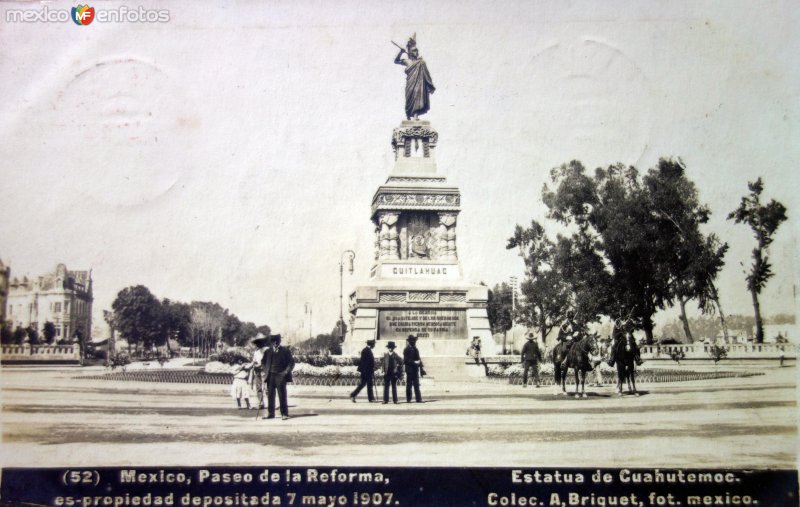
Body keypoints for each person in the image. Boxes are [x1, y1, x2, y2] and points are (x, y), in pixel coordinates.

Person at [394, 34, 435, 120]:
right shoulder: (407, 61)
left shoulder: (421, 62)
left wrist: (430, 86)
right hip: (410, 84)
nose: (417, 52)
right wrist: (401, 52)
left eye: (417, 50)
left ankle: (415, 115)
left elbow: (426, 74)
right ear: (410, 52)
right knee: (409, 98)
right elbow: (396, 61)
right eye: (414, 51)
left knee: (418, 97)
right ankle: (408, 114)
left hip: (419, 84)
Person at [260, 334, 295, 420]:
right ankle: (271, 414)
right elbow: (263, 362)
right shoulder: (268, 351)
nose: (275, 343)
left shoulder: (286, 351)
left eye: (276, 341)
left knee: (282, 395)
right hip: (270, 376)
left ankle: (284, 414)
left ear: (279, 341)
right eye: (273, 341)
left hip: (281, 375)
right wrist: (265, 371)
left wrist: (285, 372)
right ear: (272, 342)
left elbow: (291, 363)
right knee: (270, 395)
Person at [248, 333, 270, 409]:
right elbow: (254, 361)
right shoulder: (256, 352)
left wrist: (261, 365)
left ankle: (270, 403)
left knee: (267, 388)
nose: (258, 343)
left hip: (265, 371)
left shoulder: (267, 350)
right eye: (257, 342)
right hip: (257, 371)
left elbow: (269, 361)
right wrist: (253, 365)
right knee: (258, 387)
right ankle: (261, 402)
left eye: (260, 341)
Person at [403, 334, 424, 403]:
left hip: (415, 370)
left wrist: (421, 366)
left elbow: (418, 358)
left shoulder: (416, 349)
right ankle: (408, 399)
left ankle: (418, 399)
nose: (413, 343)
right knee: (409, 385)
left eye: (414, 341)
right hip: (409, 370)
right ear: (409, 342)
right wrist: (414, 362)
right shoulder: (406, 350)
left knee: (416, 385)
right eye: (412, 341)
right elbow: (405, 360)